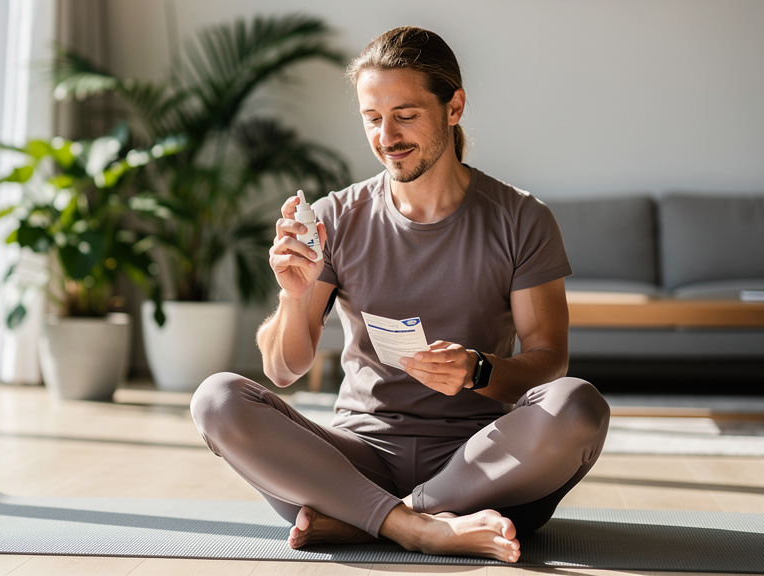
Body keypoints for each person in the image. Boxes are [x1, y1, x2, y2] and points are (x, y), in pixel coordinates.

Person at [190, 26, 609, 563]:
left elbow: (549, 361)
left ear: (453, 106)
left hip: (481, 464)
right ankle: (421, 528)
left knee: (578, 406)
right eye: (372, 118)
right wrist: (294, 297)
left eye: (406, 115)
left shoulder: (521, 219)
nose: (387, 136)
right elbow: (282, 370)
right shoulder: (336, 218)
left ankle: (379, 518)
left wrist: (479, 370)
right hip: (356, 460)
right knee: (217, 398)